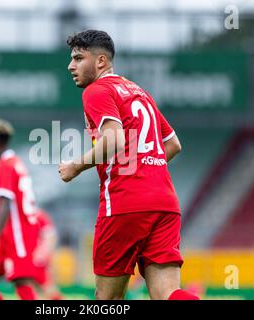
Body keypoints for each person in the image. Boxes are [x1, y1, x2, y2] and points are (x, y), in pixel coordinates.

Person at [58, 30, 199, 300]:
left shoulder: (97, 90)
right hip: (165, 203)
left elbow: (113, 139)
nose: (71, 66)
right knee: (168, 293)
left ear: (100, 61)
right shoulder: (139, 92)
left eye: (78, 58)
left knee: (107, 299)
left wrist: (75, 167)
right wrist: (147, 168)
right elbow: (173, 144)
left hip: (125, 204)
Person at [0, 118, 40, 300]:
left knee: (22, 282)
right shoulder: (13, 164)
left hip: (17, 235)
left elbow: (6, 204)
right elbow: (3, 201)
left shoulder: (6, 166)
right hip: (9, 235)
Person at [32, 208, 63, 300]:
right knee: (34, 285)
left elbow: (50, 236)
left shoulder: (38, 215)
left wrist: (43, 253)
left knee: (45, 284)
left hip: (37, 258)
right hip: (30, 257)